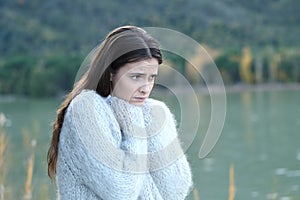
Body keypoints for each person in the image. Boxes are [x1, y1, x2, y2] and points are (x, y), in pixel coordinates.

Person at [47, 25, 192, 200]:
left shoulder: (151, 111)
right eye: (136, 77)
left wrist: (150, 116)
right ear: (110, 73)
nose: (145, 88)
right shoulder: (85, 109)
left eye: (151, 77)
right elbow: (121, 191)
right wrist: (133, 121)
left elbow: (175, 191)